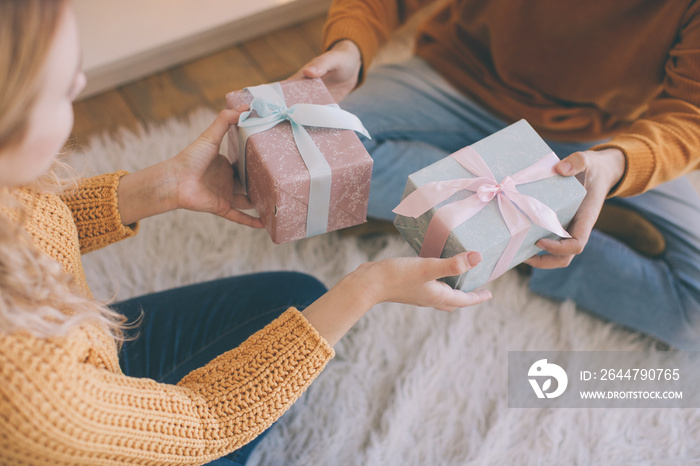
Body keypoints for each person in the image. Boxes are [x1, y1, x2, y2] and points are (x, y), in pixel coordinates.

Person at [0, 1, 493, 464]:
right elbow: (208, 421)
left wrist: (164, 187)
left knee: (297, 300)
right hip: (74, 409)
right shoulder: (34, 391)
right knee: (304, 331)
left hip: (85, 362)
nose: (83, 81)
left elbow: (38, 222)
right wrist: (370, 286)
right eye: (63, 87)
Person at [292, 0, 700, 350]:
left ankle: (507, 229)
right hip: (458, 80)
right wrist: (351, 44)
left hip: (596, 140)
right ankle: (528, 212)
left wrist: (617, 163)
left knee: (694, 316)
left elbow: (691, 117)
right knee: (296, 153)